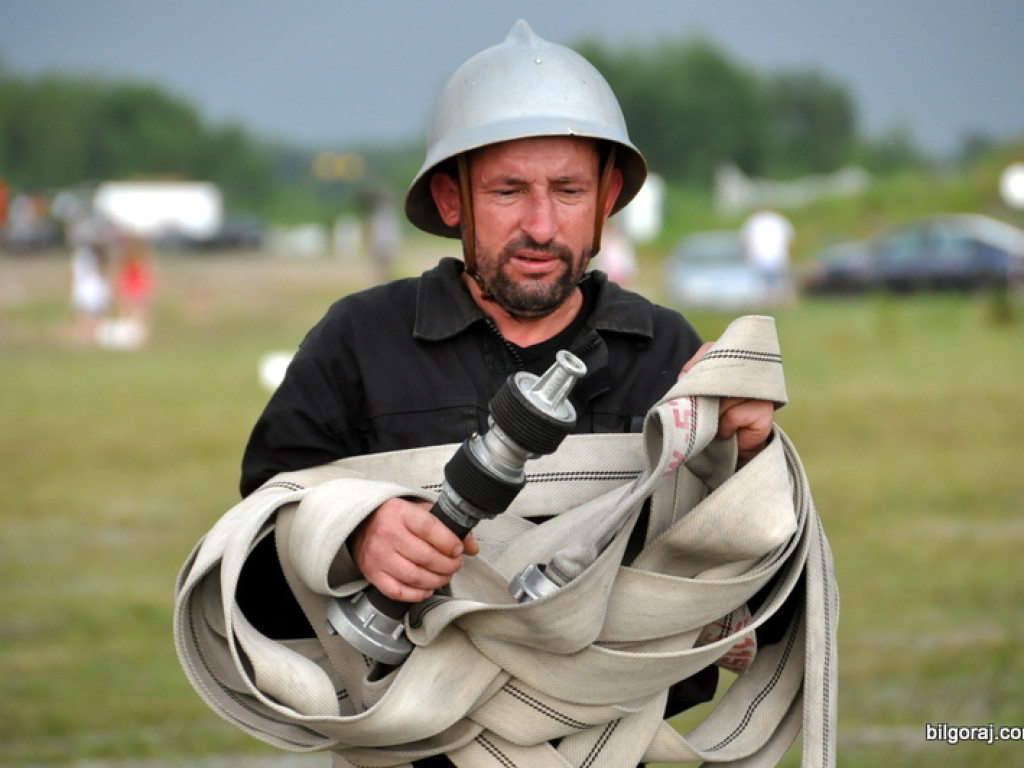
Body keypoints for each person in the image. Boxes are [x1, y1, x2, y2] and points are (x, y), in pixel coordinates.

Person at [236, 21, 779, 767]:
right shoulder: (357, 343)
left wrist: (749, 463)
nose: (539, 225)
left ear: (606, 198)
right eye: (507, 190)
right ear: (451, 199)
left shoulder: (670, 355)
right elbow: (250, 576)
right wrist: (352, 533)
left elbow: (769, 604)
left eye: (567, 190)